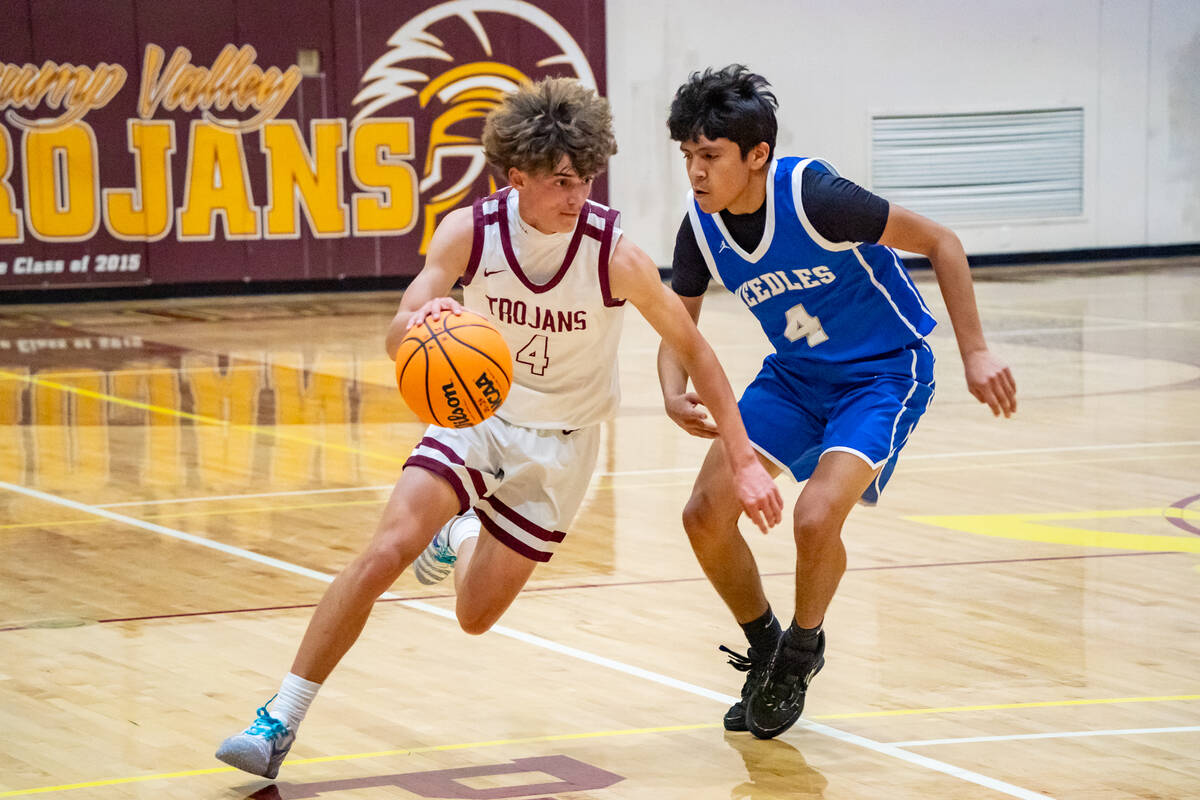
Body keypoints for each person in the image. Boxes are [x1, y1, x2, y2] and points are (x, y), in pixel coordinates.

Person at [214, 76, 782, 779]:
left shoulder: (613, 252)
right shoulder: (471, 231)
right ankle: (278, 719)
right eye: (563, 182)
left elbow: (695, 348)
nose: (579, 196)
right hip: (478, 418)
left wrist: (743, 457)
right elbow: (400, 327)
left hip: (563, 447)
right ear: (521, 176)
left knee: (475, 616)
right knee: (388, 547)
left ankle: (463, 534)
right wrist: (414, 329)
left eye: (587, 178)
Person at [658, 65, 1017, 740]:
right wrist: (671, 391)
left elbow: (942, 242)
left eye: (710, 156)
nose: (697, 172)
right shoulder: (700, 229)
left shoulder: (816, 197)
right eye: (688, 157)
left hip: (882, 373)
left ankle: (800, 652)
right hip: (795, 377)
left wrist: (974, 351)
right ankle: (764, 644)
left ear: (756, 155)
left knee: (815, 515)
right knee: (704, 514)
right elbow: (678, 331)